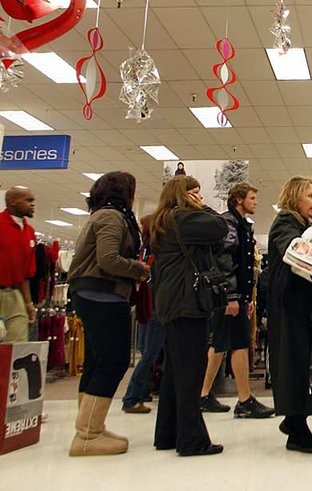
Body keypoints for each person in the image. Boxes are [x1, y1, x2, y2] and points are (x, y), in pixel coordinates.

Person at [67, 172, 150, 456]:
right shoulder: (112, 218)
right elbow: (108, 258)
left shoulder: (101, 216)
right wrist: (139, 269)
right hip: (102, 294)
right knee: (112, 363)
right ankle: (88, 435)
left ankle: (89, 426)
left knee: (95, 361)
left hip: (90, 294)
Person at [150, 176, 228, 456]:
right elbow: (220, 226)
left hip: (173, 302)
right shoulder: (182, 218)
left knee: (176, 370)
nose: (199, 196)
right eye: (193, 192)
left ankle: (168, 434)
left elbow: (214, 242)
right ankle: (192, 440)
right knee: (190, 372)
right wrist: (202, 208)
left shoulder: (165, 221)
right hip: (186, 302)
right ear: (181, 195)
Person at [265, 176, 312, 453]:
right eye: (310, 195)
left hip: (302, 304)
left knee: (300, 364)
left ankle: (294, 422)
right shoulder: (285, 222)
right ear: (295, 196)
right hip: (288, 305)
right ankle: (296, 429)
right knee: (293, 365)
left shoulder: (306, 225)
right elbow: (295, 251)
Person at [199, 182, 273, 418]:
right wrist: (232, 296)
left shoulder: (241, 225)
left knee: (220, 345)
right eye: (252, 198)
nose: (255, 202)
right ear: (239, 199)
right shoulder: (230, 224)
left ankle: (203, 394)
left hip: (234, 296)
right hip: (228, 297)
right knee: (239, 344)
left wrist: (245, 296)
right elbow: (225, 261)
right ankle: (244, 400)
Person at [121, 215, 164, 414]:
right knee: (150, 354)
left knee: (147, 352)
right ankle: (131, 397)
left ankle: (143, 391)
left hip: (147, 306)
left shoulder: (143, 251)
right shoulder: (157, 252)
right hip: (156, 306)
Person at [0, 186, 37, 343]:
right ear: (12, 201)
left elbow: (26, 275)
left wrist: (28, 304)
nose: (33, 204)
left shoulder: (29, 232)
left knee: (17, 345)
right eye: (28, 200)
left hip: (16, 295)